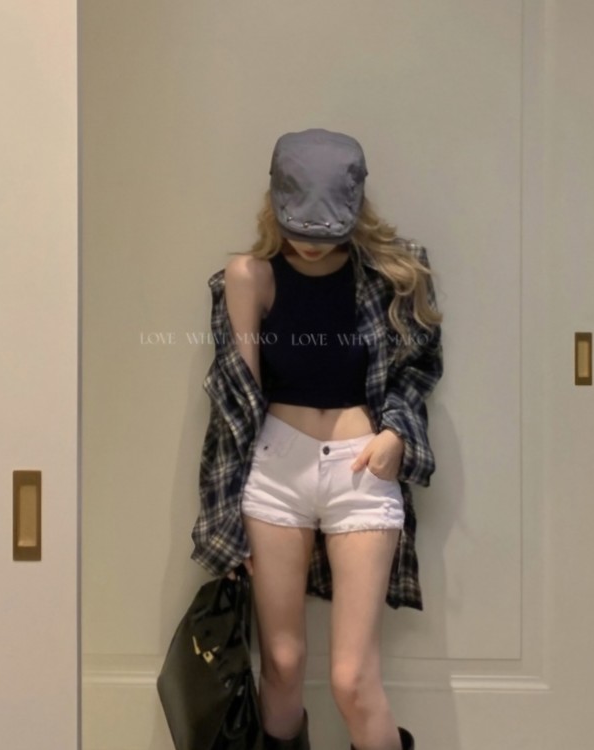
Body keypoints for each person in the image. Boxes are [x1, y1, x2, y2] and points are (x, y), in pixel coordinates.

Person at [191, 128, 443, 750]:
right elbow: (233, 407)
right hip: (275, 473)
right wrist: (222, 520)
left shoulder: (395, 274)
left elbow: (418, 371)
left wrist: (397, 434)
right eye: (298, 225)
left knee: (352, 680)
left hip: (362, 469)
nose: (309, 242)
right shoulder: (249, 277)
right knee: (280, 663)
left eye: (326, 230)